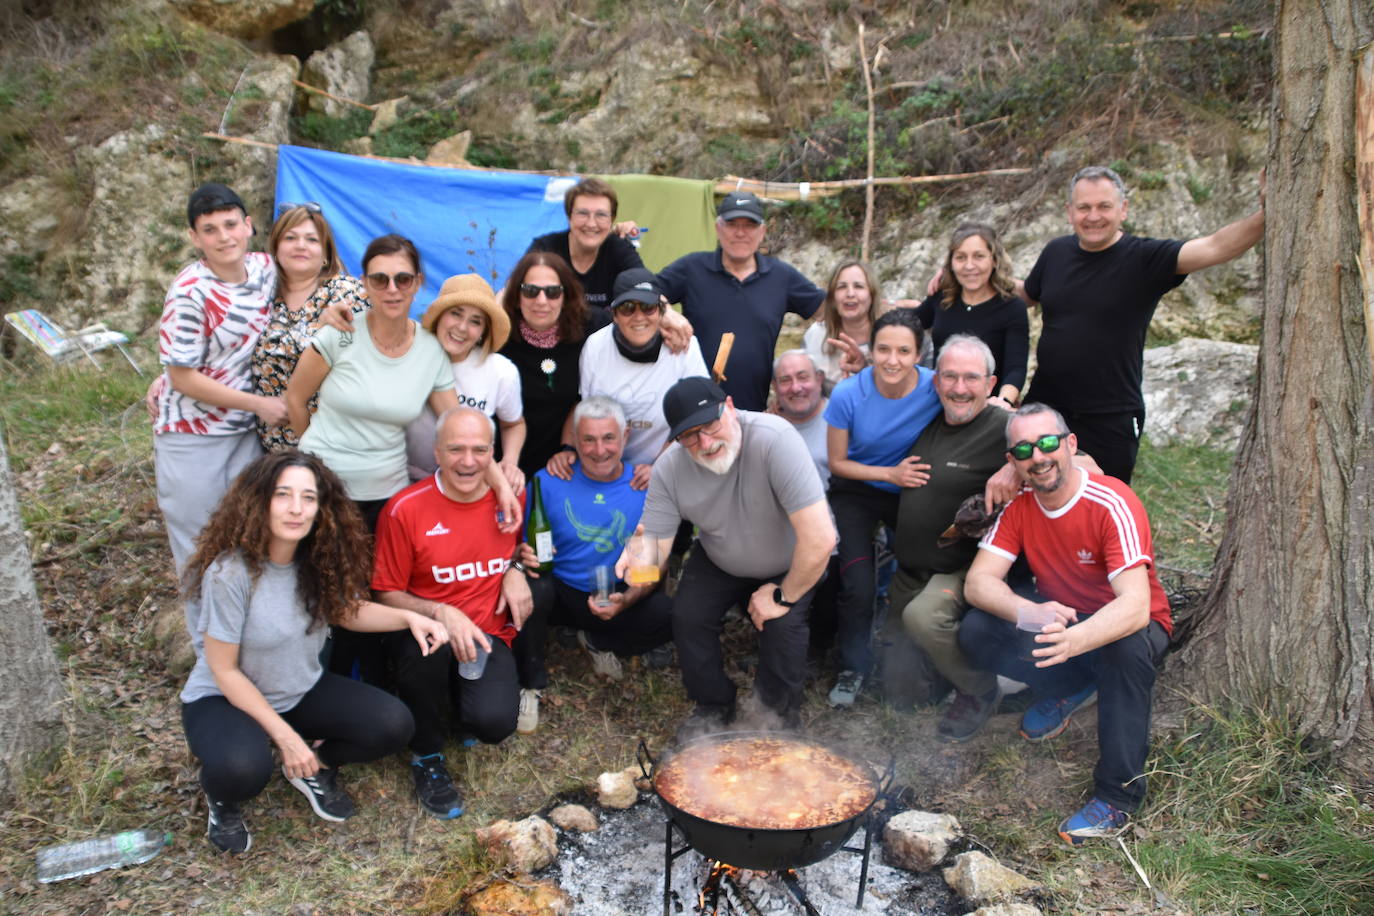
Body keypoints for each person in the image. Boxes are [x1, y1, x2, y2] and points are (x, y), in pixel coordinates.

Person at [179, 450, 447, 853]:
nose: (296, 509)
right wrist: (286, 738)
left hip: (297, 689)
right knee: (244, 769)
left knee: (393, 725)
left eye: (308, 498)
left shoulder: (315, 560)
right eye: (283, 495)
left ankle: (314, 767)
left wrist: (409, 619)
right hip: (224, 699)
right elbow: (225, 671)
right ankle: (222, 800)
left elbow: (346, 611)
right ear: (259, 500)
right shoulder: (229, 574)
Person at [960, 403, 1172, 845]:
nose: (1038, 457)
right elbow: (978, 584)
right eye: (1024, 449)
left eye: (1048, 443)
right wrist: (1028, 612)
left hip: (1132, 624)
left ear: (1071, 444)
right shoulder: (1021, 507)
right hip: (1068, 622)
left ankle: (1118, 798)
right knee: (979, 629)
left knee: (1123, 648)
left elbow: (1134, 607)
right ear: (1013, 462)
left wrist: (1074, 641)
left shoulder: (1111, 500)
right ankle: (1070, 687)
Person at [1020, 165, 1264, 482]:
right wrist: (965, 279)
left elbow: (1215, 247)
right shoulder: (1056, 253)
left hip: (1110, 415)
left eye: (1104, 206)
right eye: (1084, 207)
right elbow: (1025, 294)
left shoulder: (1144, 258)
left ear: (1123, 209)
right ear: (1070, 212)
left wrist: (1264, 215)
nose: (1093, 216)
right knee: (1031, 495)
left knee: (1102, 504)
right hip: (1046, 406)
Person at [627, 378, 836, 733]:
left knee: (782, 624)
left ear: (729, 406)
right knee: (688, 615)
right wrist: (638, 569)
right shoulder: (669, 469)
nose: (705, 443)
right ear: (676, 440)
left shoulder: (775, 439)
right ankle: (713, 704)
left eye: (709, 425)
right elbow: (653, 549)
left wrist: (782, 596)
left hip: (791, 559)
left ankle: (776, 719)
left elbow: (820, 539)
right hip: (720, 557)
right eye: (689, 436)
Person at [372, 407, 533, 818]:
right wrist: (440, 611)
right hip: (427, 633)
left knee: (495, 726)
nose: (467, 461)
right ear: (436, 452)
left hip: (487, 635)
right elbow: (386, 592)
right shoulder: (405, 509)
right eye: (455, 449)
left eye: (479, 450)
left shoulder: (511, 496)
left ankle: (459, 708)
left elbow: (520, 550)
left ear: (493, 453)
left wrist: (514, 569)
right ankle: (426, 754)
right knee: (428, 647)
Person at [513, 397, 675, 732]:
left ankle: (599, 639)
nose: (598, 450)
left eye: (608, 438)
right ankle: (530, 683)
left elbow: (652, 567)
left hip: (613, 589)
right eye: (588, 439)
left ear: (626, 436)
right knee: (530, 589)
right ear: (574, 439)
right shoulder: (548, 480)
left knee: (668, 614)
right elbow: (517, 544)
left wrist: (627, 599)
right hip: (561, 590)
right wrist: (521, 556)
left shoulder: (644, 485)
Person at [884, 335, 1013, 740]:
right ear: (936, 381)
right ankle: (940, 669)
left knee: (923, 618)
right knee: (899, 696)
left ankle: (980, 689)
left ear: (990, 385)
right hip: (909, 569)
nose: (960, 388)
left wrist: (1016, 465)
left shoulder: (1006, 425)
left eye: (971, 378)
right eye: (951, 377)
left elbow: (1075, 459)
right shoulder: (925, 418)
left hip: (961, 568)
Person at [153, 182, 285, 573]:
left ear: (248, 225)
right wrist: (259, 404)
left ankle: (245, 635)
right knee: (202, 550)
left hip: (246, 435)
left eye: (230, 225)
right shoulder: (189, 293)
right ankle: (202, 637)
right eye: (210, 230)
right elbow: (184, 378)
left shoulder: (266, 269)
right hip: (194, 438)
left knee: (248, 542)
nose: (223, 237)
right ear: (195, 237)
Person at [285, 234, 459, 531]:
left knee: (379, 578)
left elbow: (456, 423)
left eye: (402, 279)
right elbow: (295, 399)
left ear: (417, 283)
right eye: (380, 280)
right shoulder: (340, 333)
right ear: (365, 283)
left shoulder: (430, 350)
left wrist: (497, 476)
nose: (392, 290)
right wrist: (313, 457)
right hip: (324, 490)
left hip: (388, 497)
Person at [823, 309, 941, 707]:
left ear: (920, 354)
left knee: (916, 570)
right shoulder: (847, 394)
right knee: (857, 585)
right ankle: (853, 665)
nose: (893, 360)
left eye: (904, 351)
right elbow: (837, 462)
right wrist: (889, 474)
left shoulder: (935, 389)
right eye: (884, 349)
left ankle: (910, 660)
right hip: (856, 487)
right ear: (869, 351)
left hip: (908, 490)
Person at [657, 191, 825, 411]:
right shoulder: (692, 268)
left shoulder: (781, 277)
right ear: (718, 228)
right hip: (695, 409)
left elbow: (828, 310)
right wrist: (665, 311)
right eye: (732, 224)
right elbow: (643, 291)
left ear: (762, 232)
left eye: (749, 225)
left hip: (754, 410)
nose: (740, 233)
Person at [251, 202, 369, 450]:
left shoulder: (346, 293)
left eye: (311, 239)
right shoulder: (261, 298)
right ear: (276, 248)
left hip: (334, 447)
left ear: (326, 252)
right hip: (271, 451)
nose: (300, 245)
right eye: (290, 237)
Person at [569, 267, 708, 472]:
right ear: (614, 314)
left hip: (671, 465)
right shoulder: (596, 346)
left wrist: (660, 467)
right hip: (606, 467)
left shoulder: (685, 346)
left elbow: (696, 416)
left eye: (647, 307)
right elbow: (588, 412)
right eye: (627, 308)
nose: (639, 316)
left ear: (661, 311)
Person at [406, 273, 525, 490]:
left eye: (475, 321)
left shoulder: (500, 370)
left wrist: (509, 461)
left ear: (483, 332)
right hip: (407, 481)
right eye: (455, 314)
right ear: (440, 316)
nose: (462, 327)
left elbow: (514, 423)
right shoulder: (411, 353)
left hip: (471, 482)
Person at [498, 251, 599, 476]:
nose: (542, 301)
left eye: (553, 292)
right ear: (515, 296)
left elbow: (635, 318)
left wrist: (670, 318)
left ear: (565, 296)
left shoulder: (587, 329)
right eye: (530, 291)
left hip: (561, 469)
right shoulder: (498, 337)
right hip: (504, 466)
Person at [913, 223, 1028, 406]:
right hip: (941, 405)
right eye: (960, 257)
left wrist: (1003, 401)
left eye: (979, 256)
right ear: (951, 263)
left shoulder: (1012, 308)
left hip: (988, 408)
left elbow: (1016, 368)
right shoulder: (942, 299)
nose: (969, 266)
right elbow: (906, 325)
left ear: (994, 260)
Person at [526, 177, 645, 312]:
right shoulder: (546, 248)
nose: (591, 224)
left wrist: (667, 313)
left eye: (601, 215)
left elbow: (646, 287)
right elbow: (515, 290)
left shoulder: (619, 248)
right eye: (582, 213)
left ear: (612, 220)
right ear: (569, 216)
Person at [802, 260, 883, 392]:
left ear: (872, 295)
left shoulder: (890, 335)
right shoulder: (815, 334)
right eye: (842, 287)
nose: (850, 293)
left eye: (858, 286)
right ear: (833, 297)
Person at [770, 349, 830, 487]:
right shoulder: (766, 428)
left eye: (803, 377)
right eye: (785, 380)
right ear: (775, 386)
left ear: (819, 379)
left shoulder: (843, 418)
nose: (796, 388)